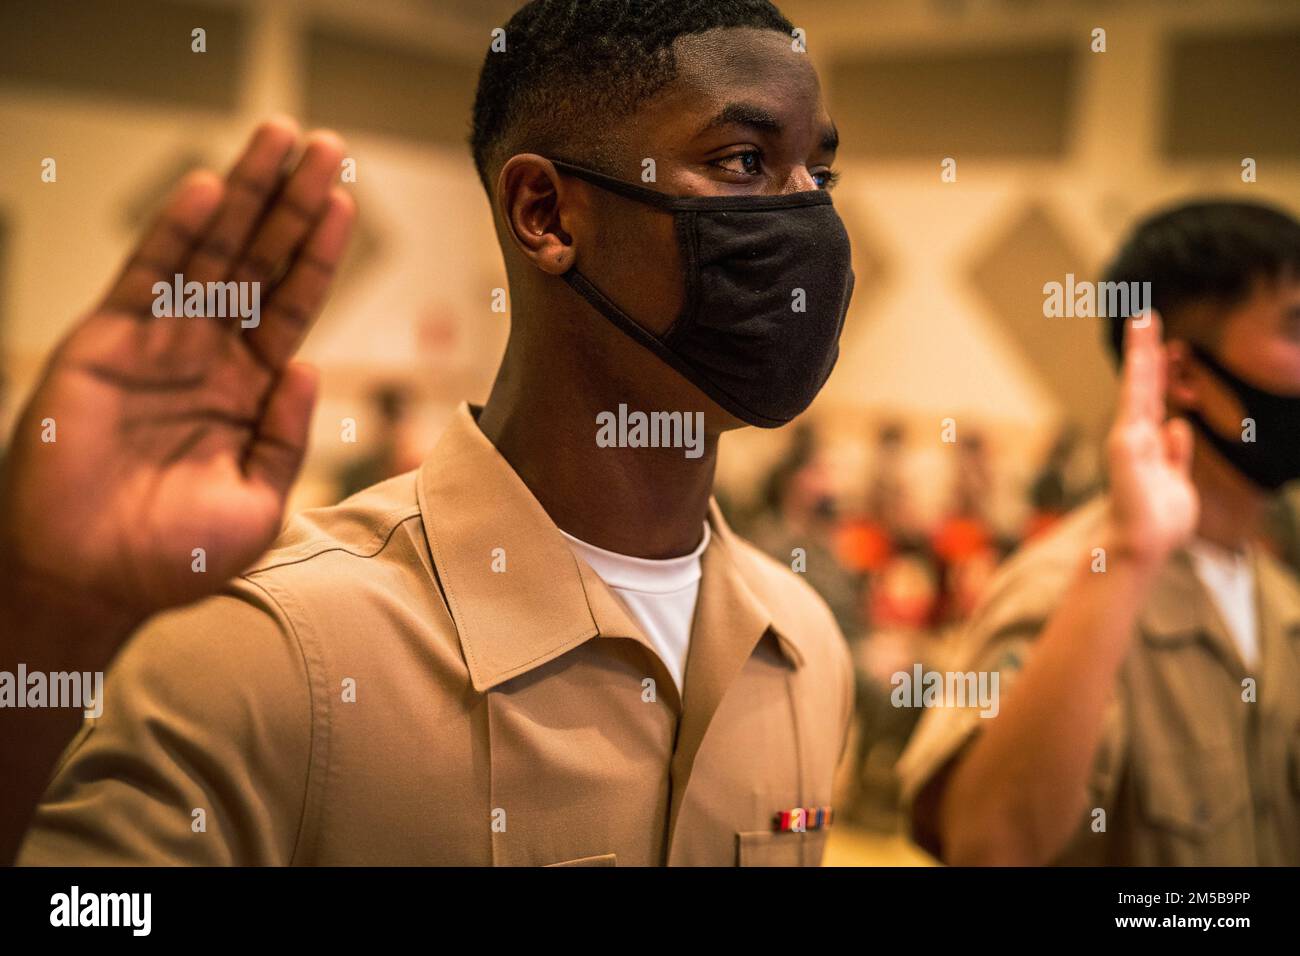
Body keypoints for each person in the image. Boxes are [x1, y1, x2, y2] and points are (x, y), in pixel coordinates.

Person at [1, 0, 855, 866]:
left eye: (819, 176)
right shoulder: (271, 654)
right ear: (547, 215)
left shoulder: (806, 649)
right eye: (744, 161)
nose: (809, 217)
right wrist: (50, 611)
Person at [897, 200, 1300, 865]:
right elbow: (986, 845)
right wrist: (1130, 555)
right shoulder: (1068, 589)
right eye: (1294, 326)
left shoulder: (1280, 602)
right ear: (1185, 374)